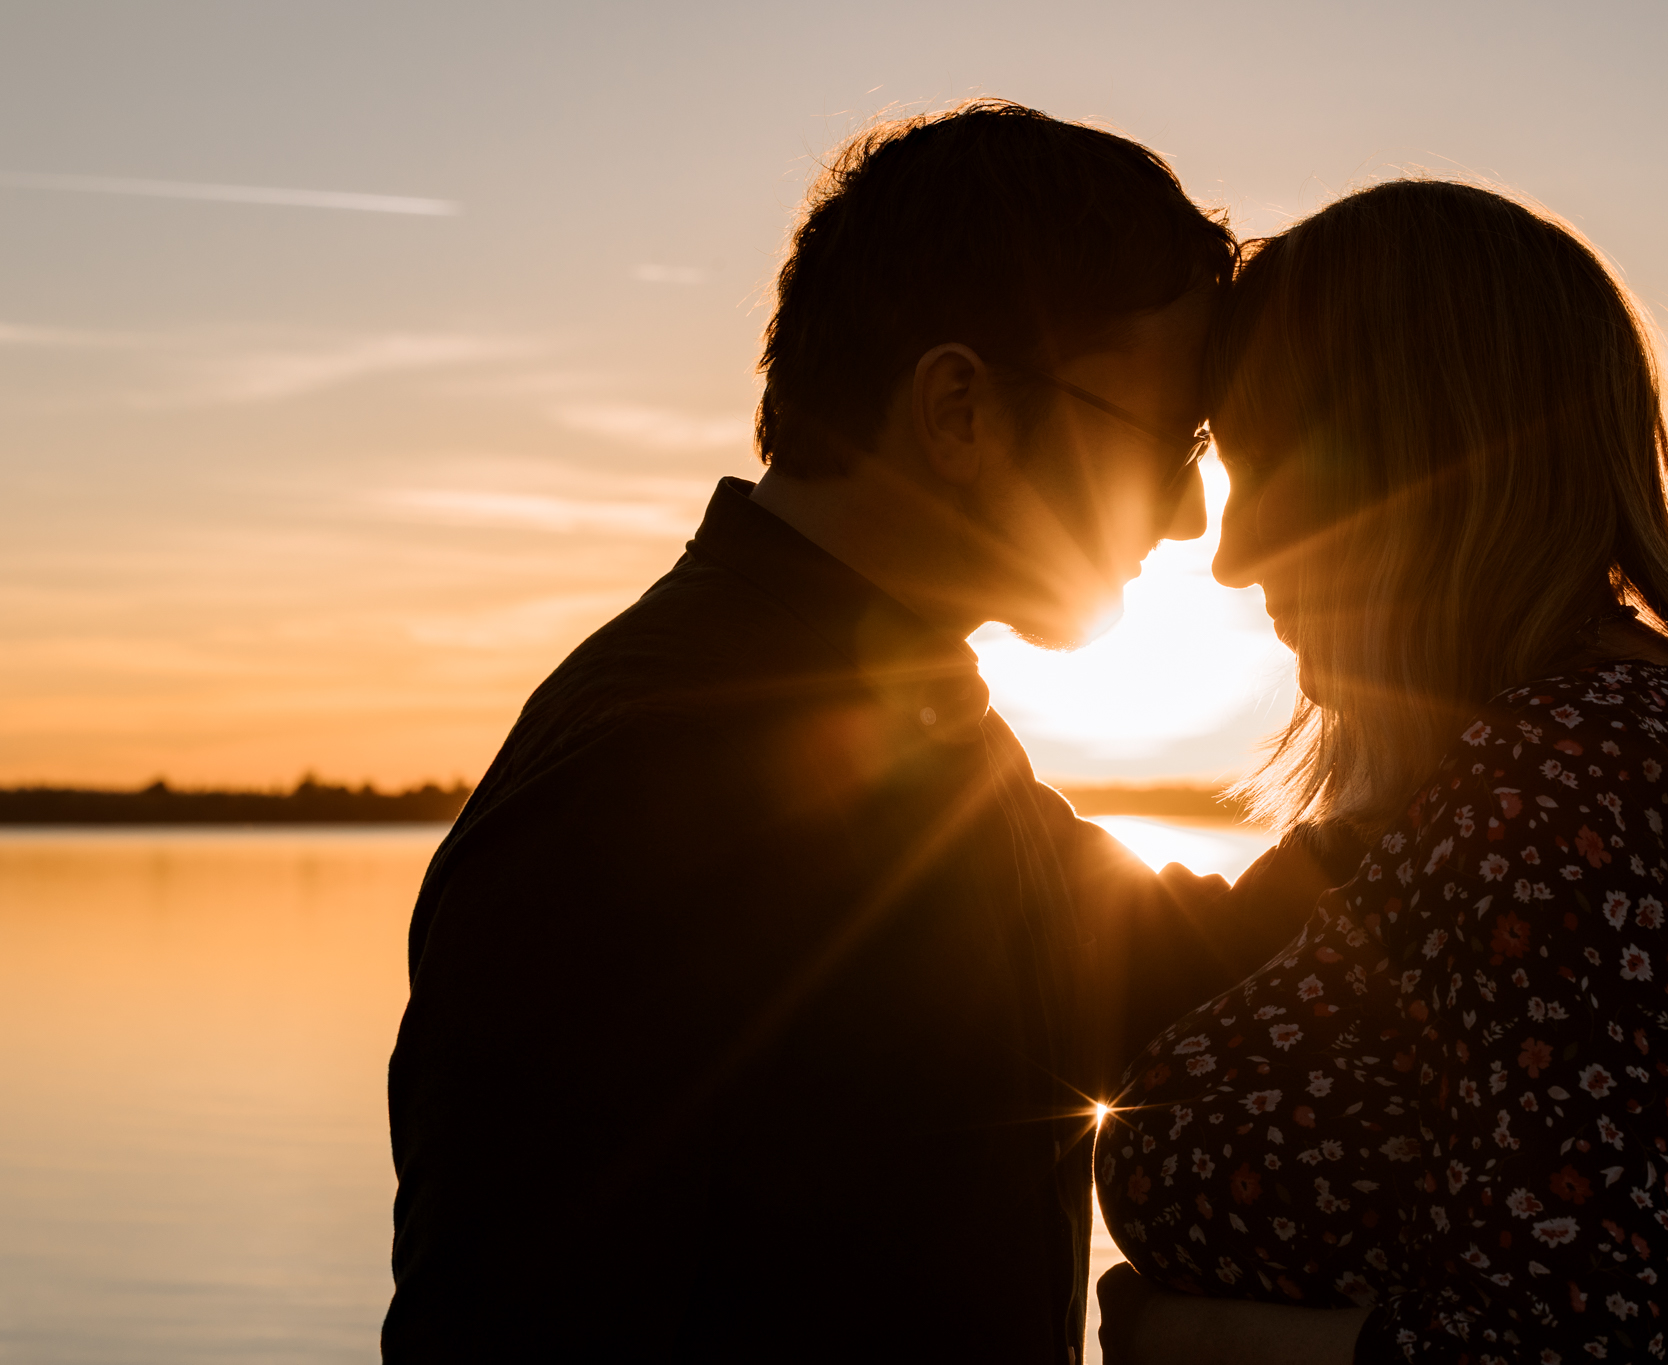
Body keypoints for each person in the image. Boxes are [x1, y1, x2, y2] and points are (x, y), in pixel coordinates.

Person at [382, 101, 1353, 1363]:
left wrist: (1503, 795)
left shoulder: (893, 713)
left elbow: (1156, 965)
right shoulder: (654, 775)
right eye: (1172, 443)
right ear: (960, 409)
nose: (1182, 520)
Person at [1094, 180, 1668, 1364]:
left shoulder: (1576, 789)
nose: (1232, 554)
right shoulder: (1584, 762)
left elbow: (1575, 1348)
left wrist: (1192, 1337)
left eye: (1263, 469)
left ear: (1410, 469)